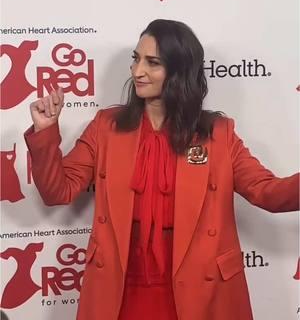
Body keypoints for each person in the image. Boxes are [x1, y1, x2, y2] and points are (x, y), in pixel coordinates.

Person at [25, 19, 299, 320]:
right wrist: (46, 132)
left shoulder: (219, 134)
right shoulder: (106, 127)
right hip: (120, 293)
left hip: (200, 294)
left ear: (180, 71)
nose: (137, 71)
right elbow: (56, 191)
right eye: (136, 59)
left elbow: (268, 193)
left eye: (152, 62)